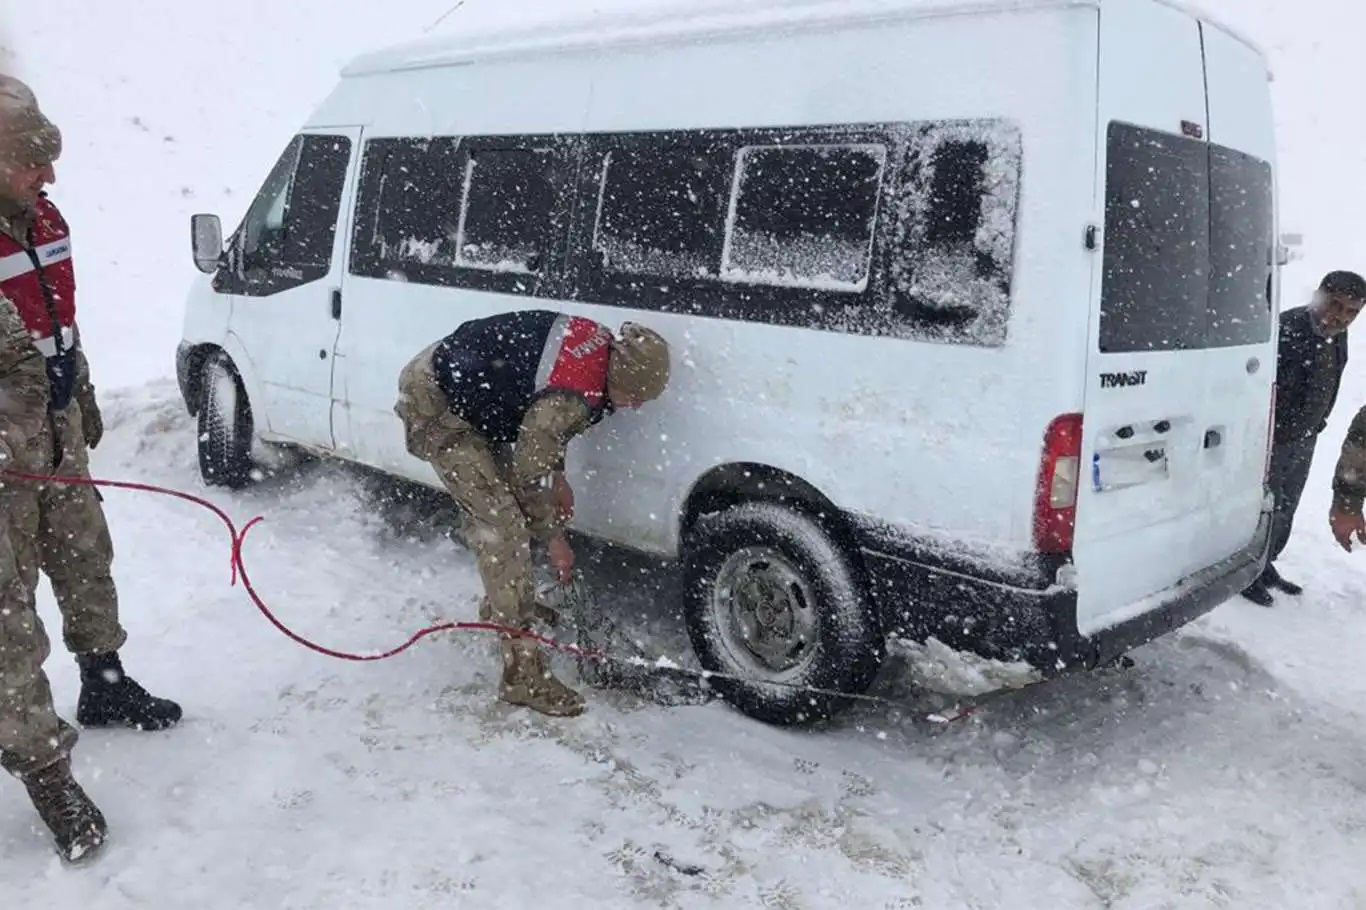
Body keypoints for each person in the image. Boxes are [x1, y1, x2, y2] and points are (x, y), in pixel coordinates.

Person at [0, 75, 181, 860]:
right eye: (32, 163)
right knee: (6, 611)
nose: (49, 177)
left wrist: (84, 390)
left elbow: (57, 320)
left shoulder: (44, 218)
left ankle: (104, 682)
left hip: (57, 425)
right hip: (3, 449)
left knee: (83, 555)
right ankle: (45, 769)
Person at [395, 308, 671, 717]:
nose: (634, 407)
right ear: (620, 376)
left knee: (516, 511)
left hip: (476, 394)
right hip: (439, 406)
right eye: (635, 397)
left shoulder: (600, 354)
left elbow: (543, 433)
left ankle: (504, 604)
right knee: (502, 530)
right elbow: (532, 467)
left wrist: (557, 477)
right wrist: (555, 538)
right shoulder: (573, 397)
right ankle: (521, 675)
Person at [1241, 270, 1364, 605]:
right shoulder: (1286, 329)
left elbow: (1332, 377)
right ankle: (1246, 572)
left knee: (1286, 506)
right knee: (1261, 507)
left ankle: (1266, 565)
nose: (1340, 316)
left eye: (1352, 311)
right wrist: (1270, 434)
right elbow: (1256, 386)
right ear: (1318, 295)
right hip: (1271, 439)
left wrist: (1318, 422)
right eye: (1335, 305)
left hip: (1305, 436)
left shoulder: (1337, 334)